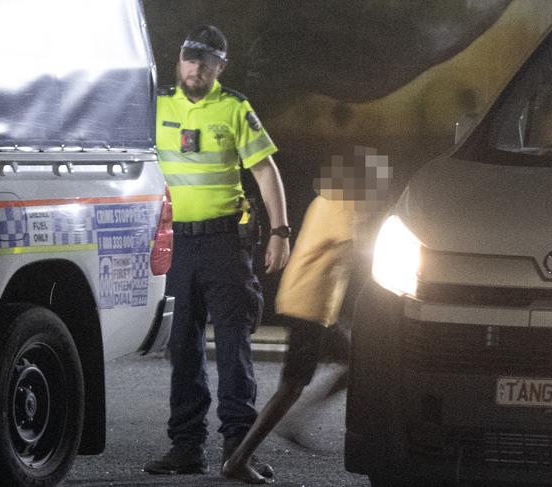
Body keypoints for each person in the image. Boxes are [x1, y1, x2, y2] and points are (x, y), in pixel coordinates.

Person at [143, 25, 290, 477]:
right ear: (179, 60)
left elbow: (265, 172)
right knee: (182, 348)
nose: (195, 68)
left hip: (226, 242)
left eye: (206, 61)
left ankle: (238, 450)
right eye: (190, 58)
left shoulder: (233, 108)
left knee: (233, 347)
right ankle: (186, 447)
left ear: (220, 67)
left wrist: (281, 231)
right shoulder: (156, 104)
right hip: (176, 243)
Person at [222, 146, 390, 484]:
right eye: (376, 178)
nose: (380, 185)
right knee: (292, 385)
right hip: (309, 305)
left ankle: (295, 423)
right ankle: (238, 459)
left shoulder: (328, 200)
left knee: (355, 361)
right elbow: (365, 250)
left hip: (314, 304)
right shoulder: (343, 205)